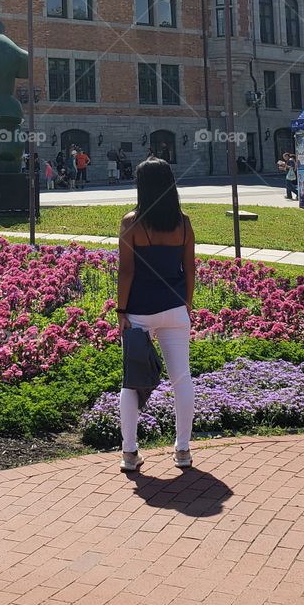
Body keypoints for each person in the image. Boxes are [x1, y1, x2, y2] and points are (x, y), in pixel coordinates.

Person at [116, 156, 196, 474]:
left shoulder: (130, 222)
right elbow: (189, 267)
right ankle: (183, 450)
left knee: (133, 382)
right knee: (182, 378)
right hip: (175, 307)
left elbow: (126, 271)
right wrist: (186, 303)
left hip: (138, 310)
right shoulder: (184, 222)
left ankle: (129, 453)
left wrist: (121, 310)